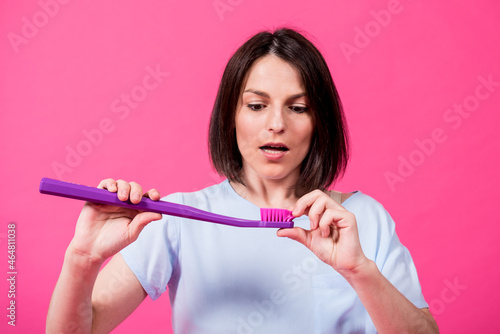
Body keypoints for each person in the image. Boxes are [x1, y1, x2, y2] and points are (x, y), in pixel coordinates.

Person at [46, 28, 439, 333]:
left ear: (320, 122)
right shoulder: (178, 219)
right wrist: (83, 259)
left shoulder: (363, 219)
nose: (276, 124)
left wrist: (359, 271)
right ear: (230, 117)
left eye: (298, 107)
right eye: (256, 105)